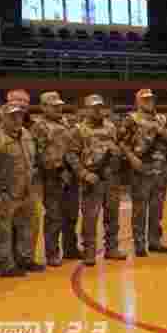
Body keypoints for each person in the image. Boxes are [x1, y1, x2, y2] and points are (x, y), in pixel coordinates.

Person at [66, 95, 128, 266]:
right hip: (92, 179)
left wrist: (118, 154)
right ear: (86, 109)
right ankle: (89, 251)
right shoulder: (78, 130)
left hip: (111, 179)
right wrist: (84, 173)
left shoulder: (111, 127)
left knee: (112, 215)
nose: (97, 110)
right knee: (90, 218)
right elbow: (71, 155)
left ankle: (112, 248)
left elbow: (117, 147)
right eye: (93, 107)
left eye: (100, 107)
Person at [0, 102, 41, 277]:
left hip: (26, 191)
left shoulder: (26, 135)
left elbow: (31, 161)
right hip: (4, 193)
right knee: (2, 231)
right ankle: (5, 265)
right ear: (3, 117)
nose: (16, 119)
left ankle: (25, 259)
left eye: (19, 115)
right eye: (12, 116)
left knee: (28, 227)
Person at [30, 91, 82, 266]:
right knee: (54, 216)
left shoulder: (66, 122)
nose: (58, 109)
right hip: (53, 177)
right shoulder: (39, 127)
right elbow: (40, 154)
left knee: (71, 214)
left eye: (59, 106)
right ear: (43, 107)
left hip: (71, 174)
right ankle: (52, 253)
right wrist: (59, 170)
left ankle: (70, 248)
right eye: (54, 106)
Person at [118, 89, 167, 256]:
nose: (149, 102)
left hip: (159, 168)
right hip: (141, 169)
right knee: (139, 209)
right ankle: (139, 243)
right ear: (138, 102)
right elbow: (121, 141)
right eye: (145, 100)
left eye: (151, 99)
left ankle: (155, 241)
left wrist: (164, 132)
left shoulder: (162, 119)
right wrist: (132, 158)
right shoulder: (131, 119)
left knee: (157, 208)